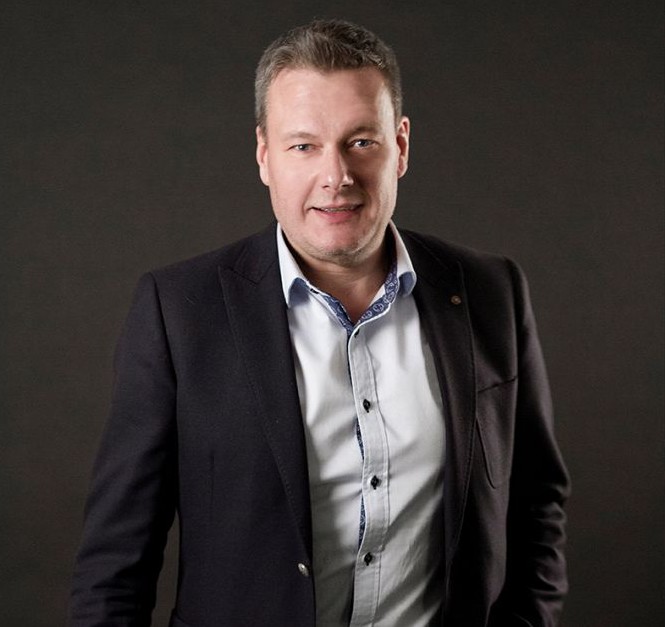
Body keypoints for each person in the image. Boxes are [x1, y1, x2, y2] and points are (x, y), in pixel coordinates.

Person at [69, 18, 570, 627]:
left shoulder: (491, 292)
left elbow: (535, 503)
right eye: (303, 146)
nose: (336, 176)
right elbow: (115, 566)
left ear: (401, 146)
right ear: (265, 156)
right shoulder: (179, 312)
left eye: (360, 141)